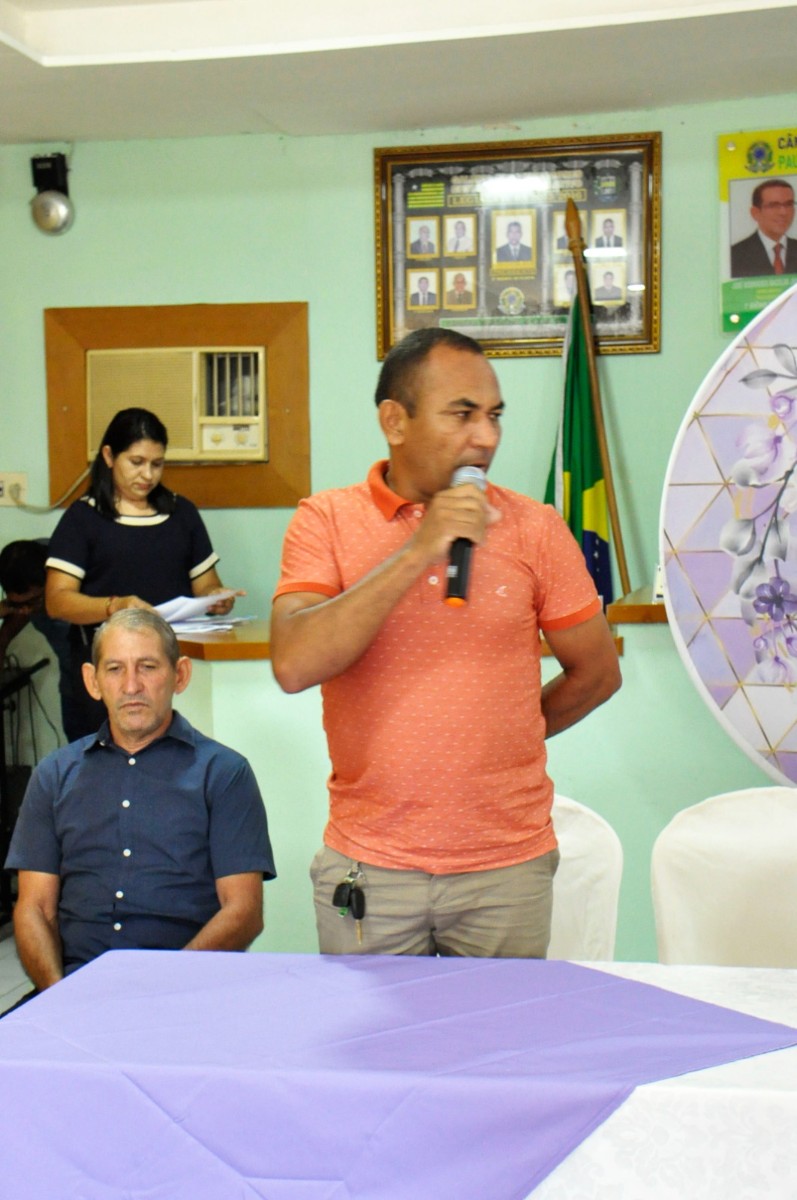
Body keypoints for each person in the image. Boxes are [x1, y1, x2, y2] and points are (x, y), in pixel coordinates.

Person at [270, 327, 620, 959]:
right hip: (370, 867)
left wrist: (500, 737)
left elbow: (597, 673)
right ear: (394, 421)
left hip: (505, 871)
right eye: (462, 414)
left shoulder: (536, 527)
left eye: (494, 417)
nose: (485, 438)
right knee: (374, 1056)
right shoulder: (325, 519)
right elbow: (294, 663)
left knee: (496, 1055)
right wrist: (418, 550)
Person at [6, 608, 275, 993]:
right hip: (73, 988)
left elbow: (244, 913)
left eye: (147, 667)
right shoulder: (54, 775)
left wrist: (164, 990)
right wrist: (58, 997)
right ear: (92, 680)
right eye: (115, 669)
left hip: (187, 989)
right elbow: (35, 908)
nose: (131, 686)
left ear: (179, 675)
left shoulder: (224, 773)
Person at [45, 407, 241, 741]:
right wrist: (115, 607)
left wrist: (215, 599)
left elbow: (207, 584)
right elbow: (57, 600)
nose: (147, 475)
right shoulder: (83, 518)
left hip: (170, 667)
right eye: (136, 462)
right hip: (109, 668)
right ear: (109, 456)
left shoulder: (182, 513)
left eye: (157, 463)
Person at [0, 539, 80, 741]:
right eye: (18, 604)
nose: (26, 611)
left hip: (110, 682)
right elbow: (5, 636)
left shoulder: (74, 571)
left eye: (33, 602)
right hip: (72, 684)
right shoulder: (19, 572)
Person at [730, 179, 797, 277]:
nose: (783, 212)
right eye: (774, 205)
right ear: (755, 213)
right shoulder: (735, 255)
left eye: (788, 204)